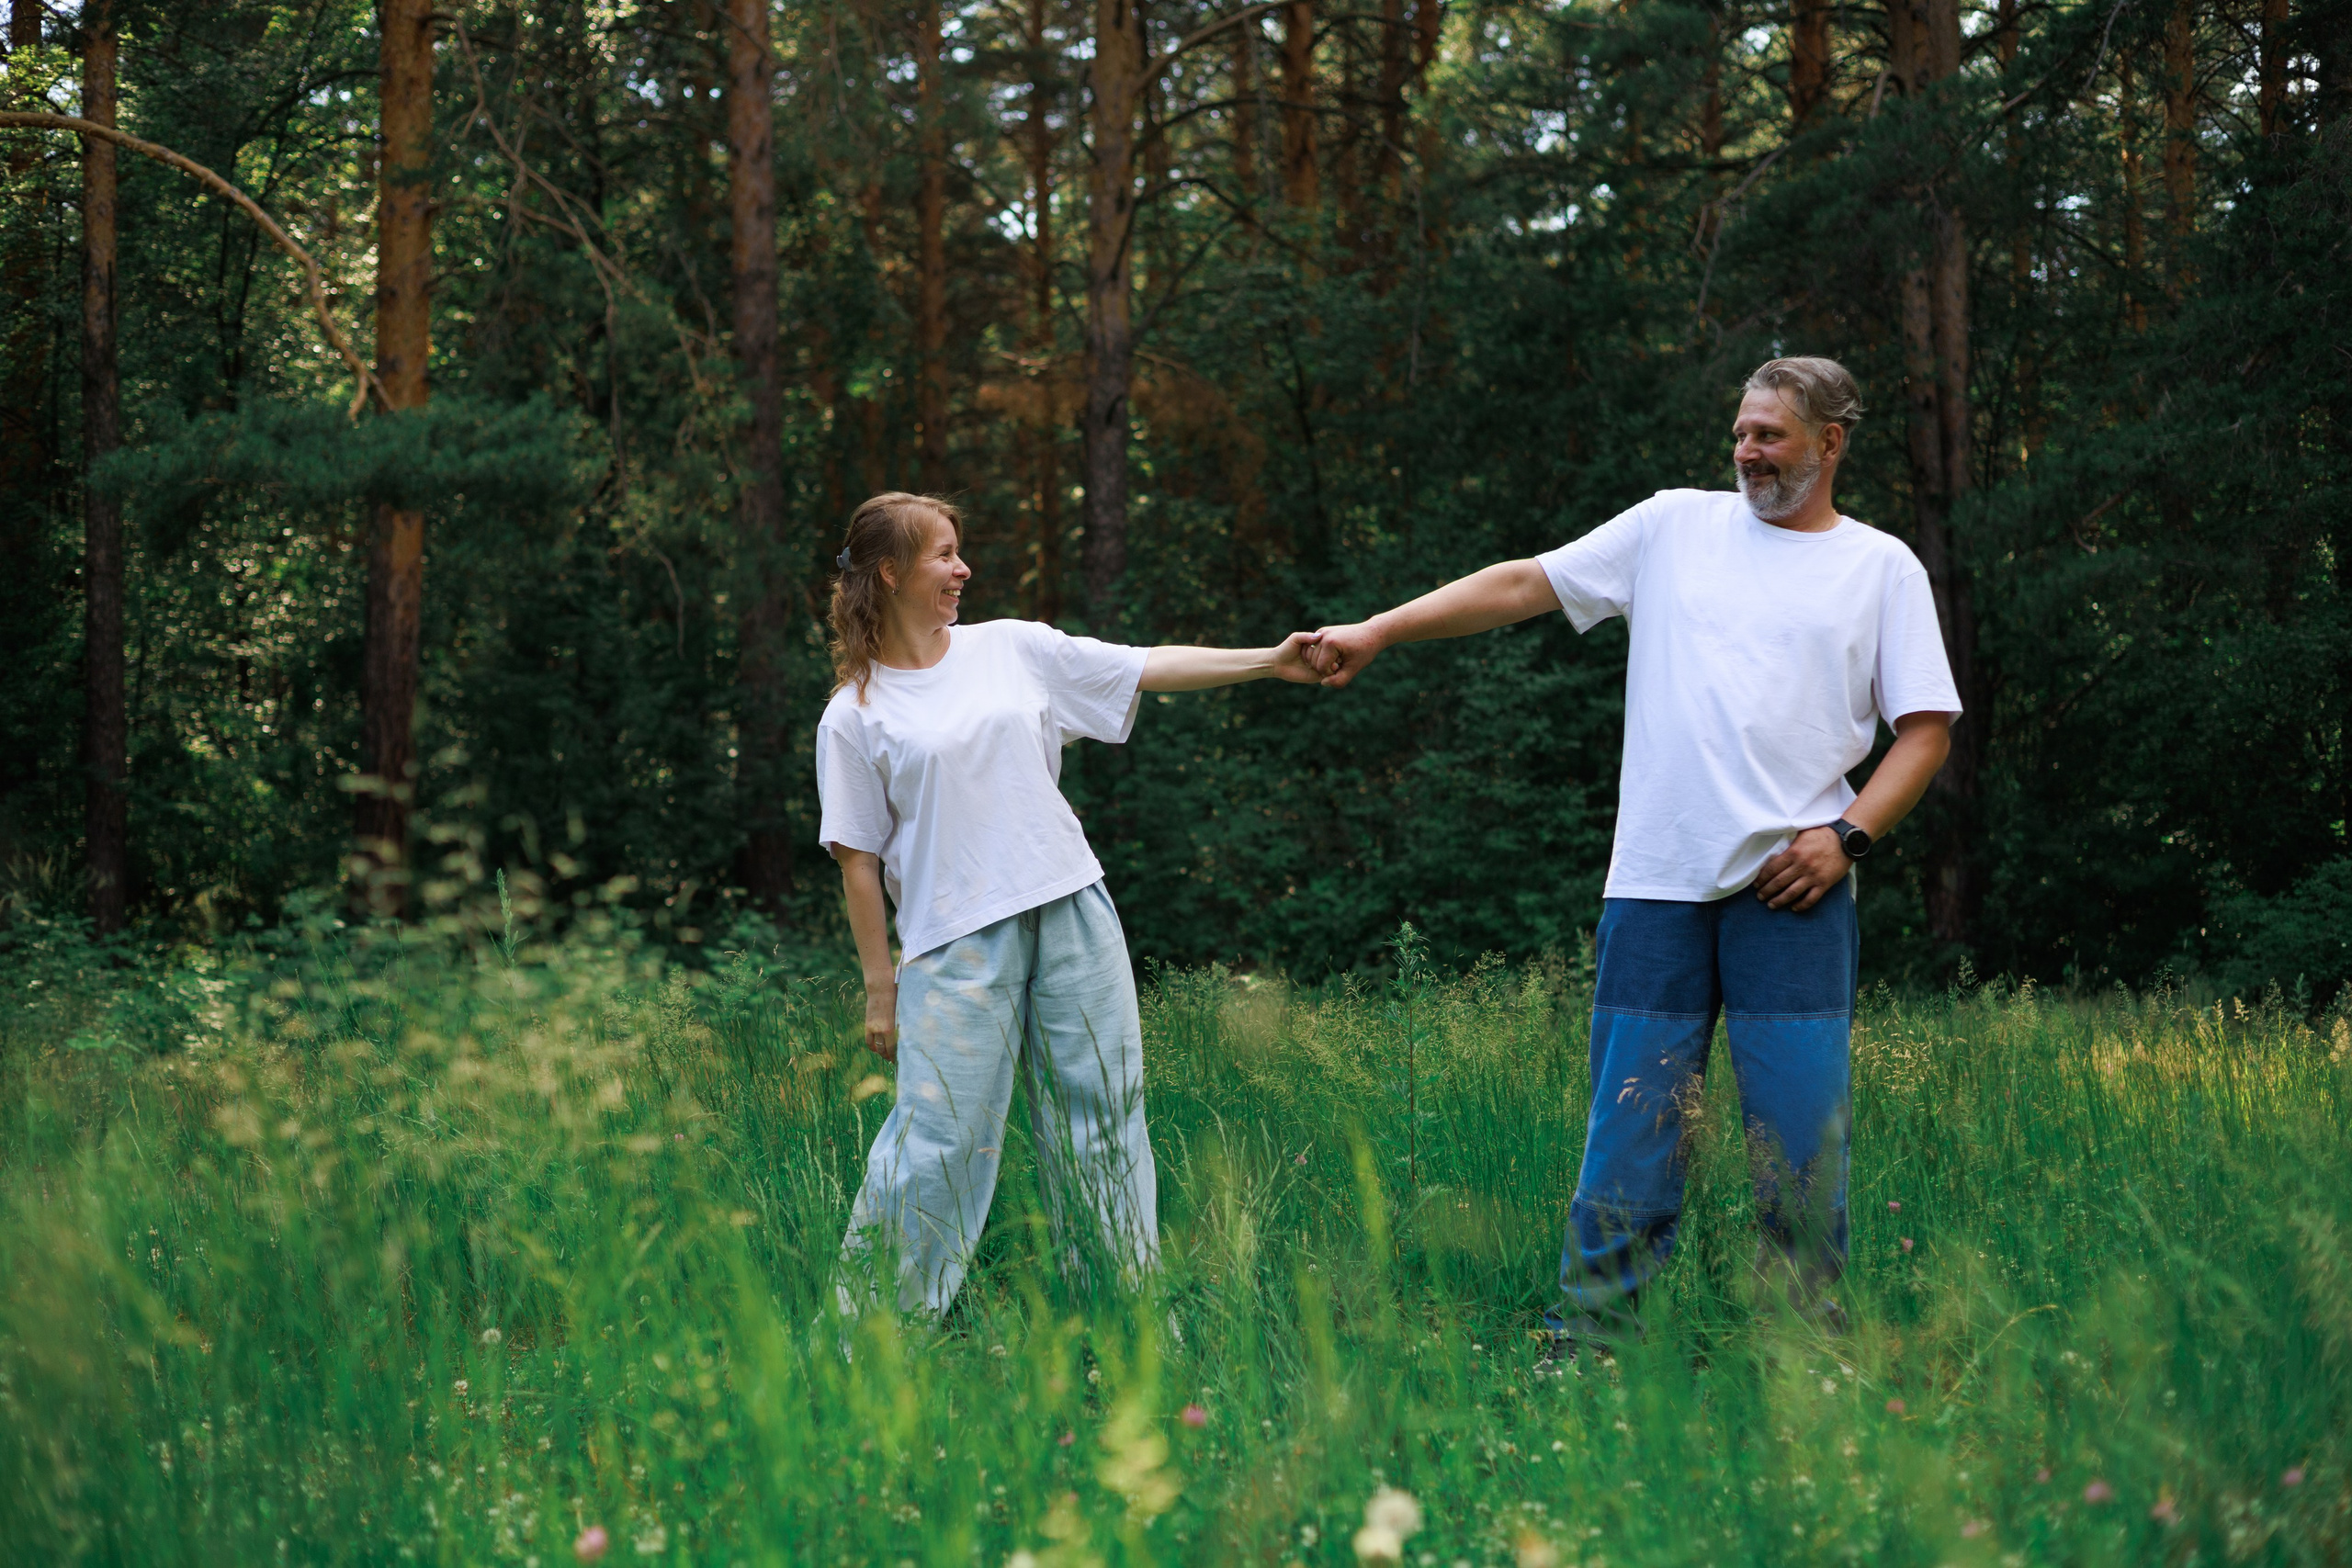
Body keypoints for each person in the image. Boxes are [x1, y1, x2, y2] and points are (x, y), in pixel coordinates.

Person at [1304, 357, 1961, 1353]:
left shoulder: (1879, 568)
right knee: (1633, 1132)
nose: (1746, 451)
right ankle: (1591, 1344)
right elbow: (1527, 582)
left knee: (1795, 1139)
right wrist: (1380, 631)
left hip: (1794, 889)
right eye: (1741, 432)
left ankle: (1802, 1355)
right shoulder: (1670, 527)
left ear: (1830, 443)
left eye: (1771, 435)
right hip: (1655, 885)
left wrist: (1846, 836)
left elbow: (1924, 730)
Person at [817, 491, 1320, 1317]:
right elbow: (858, 861)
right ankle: (866, 1342)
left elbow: (1142, 664)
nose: (962, 568)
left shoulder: (1011, 649)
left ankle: (1125, 1326)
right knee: (937, 1142)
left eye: (959, 550)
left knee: (1103, 1121)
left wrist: (1270, 659)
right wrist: (882, 985)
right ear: (890, 571)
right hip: (953, 943)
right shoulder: (854, 714)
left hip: (1071, 907)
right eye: (944, 554)